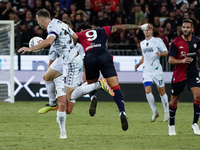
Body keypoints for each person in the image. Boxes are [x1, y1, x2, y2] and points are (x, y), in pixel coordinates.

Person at [18, 9, 114, 139]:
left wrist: (30, 48)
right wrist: (69, 48)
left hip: (71, 62)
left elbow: (49, 41)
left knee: (70, 94)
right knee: (46, 76)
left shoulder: (52, 27)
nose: (38, 24)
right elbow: (75, 36)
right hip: (63, 59)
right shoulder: (59, 22)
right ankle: (52, 103)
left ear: (41, 19)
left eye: (37, 21)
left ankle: (98, 84)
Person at [76, 22, 152, 131]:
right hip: (104, 56)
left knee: (91, 85)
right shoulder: (103, 29)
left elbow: (70, 37)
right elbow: (121, 27)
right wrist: (140, 27)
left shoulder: (80, 35)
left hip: (89, 57)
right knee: (115, 87)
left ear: (82, 30)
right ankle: (122, 112)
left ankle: (93, 97)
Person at [168, 19, 200, 136]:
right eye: (184, 27)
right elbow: (170, 60)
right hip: (179, 74)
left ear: (192, 29)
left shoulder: (197, 41)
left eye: (187, 27)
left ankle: (195, 124)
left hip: (192, 73)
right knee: (174, 100)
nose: (185, 29)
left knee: (198, 95)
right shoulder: (176, 42)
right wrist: (182, 60)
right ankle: (171, 125)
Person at [135, 23, 169, 122]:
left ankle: (166, 112)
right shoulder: (142, 43)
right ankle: (155, 112)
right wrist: (139, 64)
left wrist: (160, 54)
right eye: (145, 30)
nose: (147, 31)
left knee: (162, 93)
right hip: (147, 70)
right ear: (143, 31)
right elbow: (144, 56)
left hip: (157, 70)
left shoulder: (158, 41)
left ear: (152, 31)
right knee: (147, 91)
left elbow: (166, 52)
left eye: (149, 29)